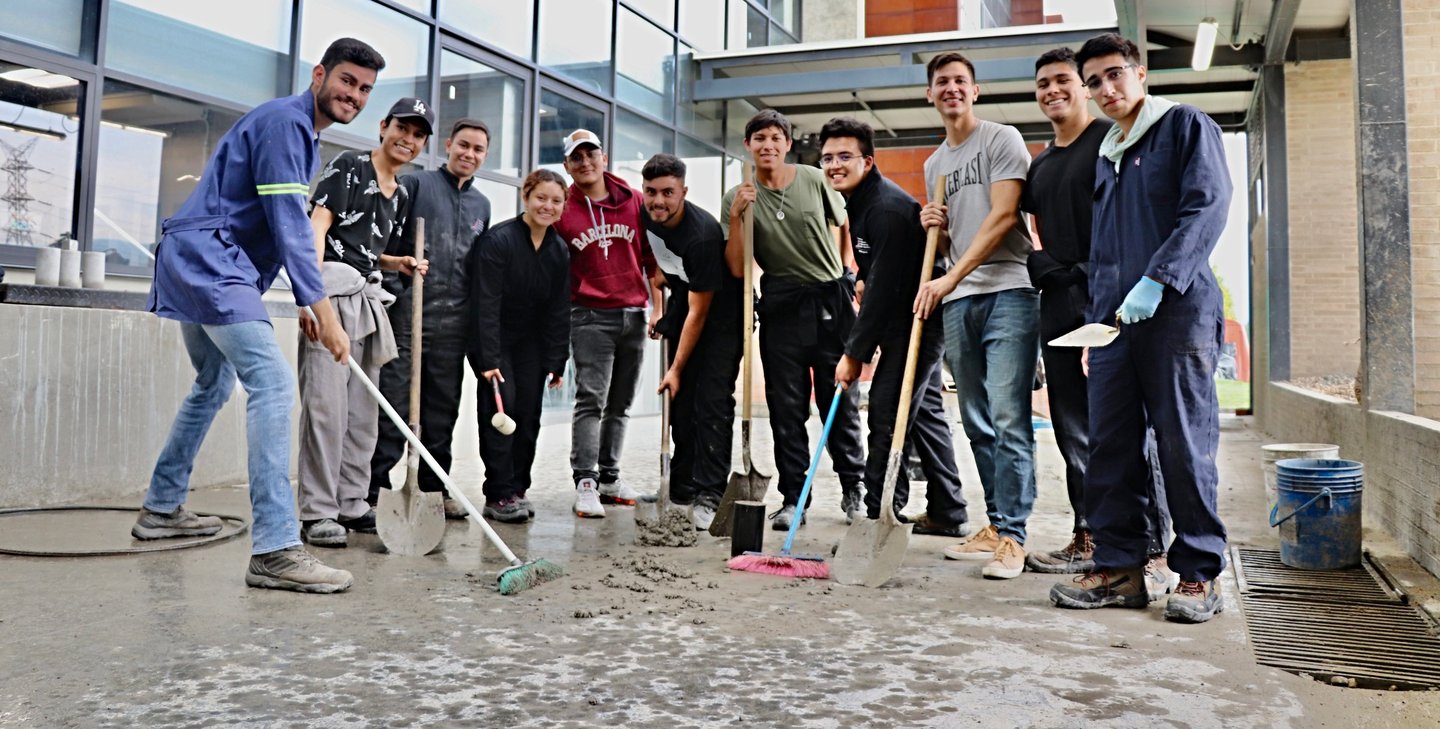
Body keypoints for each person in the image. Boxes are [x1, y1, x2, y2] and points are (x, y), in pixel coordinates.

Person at [132, 38, 385, 593]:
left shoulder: (302, 134)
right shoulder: (286, 123)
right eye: (347, 81)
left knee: (211, 382)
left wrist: (304, 301)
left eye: (365, 89)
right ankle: (275, 547)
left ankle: (162, 507)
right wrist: (324, 309)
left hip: (205, 260)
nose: (355, 95)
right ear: (319, 74)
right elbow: (292, 226)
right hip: (211, 262)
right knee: (271, 384)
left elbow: (277, 227)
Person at [1048, 33, 1231, 624]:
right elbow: (1104, 250)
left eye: (1113, 74)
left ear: (1140, 72)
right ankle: (1123, 566)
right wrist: (1096, 327)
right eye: (1094, 81)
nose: (1105, 89)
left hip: (1177, 313)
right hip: (1116, 326)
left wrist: (1160, 279)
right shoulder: (1108, 151)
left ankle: (1199, 573)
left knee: (1181, 441)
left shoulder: (1184, 127)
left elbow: (1206, 207)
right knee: (1111, 445)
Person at [911, 52, 1040, 580]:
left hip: (1009, 290)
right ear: (930, 95)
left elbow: (1005, 216)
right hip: (960, 299)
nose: (951, 89)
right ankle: (995, 522)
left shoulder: (1001, 139)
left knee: (1009, 418)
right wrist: (933, 226)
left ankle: (1015, 536)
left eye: (960, 81)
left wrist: (948, 277)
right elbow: (951, 238)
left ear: (976, 90)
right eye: (942, 82)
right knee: (977, 421)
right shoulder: (933, 165)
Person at [295, 97, 433, 547]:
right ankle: (317, 512)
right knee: (326, 409)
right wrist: (309, 297)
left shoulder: (404, 191)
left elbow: (371, 251)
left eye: (417, 135)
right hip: (331, 294)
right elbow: (318, 227)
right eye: (402, 129)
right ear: (383, 127)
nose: (408, 140)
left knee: (363, 413)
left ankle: (353, 502)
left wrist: (401, 263)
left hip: (371, 300)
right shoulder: (348, 165)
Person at [822, 117, 970, 536]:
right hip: (900, 318)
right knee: (923, 414)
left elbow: (884, 294)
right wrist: (862, 275)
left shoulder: (884, 208)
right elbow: (878, 271)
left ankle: (879, 514)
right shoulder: (861, 201)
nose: (835, 164)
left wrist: (853, 355)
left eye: (845, 156)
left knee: (887, 411)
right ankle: (950, 511)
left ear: (867, 162)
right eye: (828, 157)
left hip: (919, 322)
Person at [723, 109, 866, 531]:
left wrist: (845, 272)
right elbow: (736, 266)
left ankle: (852, 488)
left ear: (787, 143)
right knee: (786, 409)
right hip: (782, 303)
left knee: (837, 401)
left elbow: (842, 224)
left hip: (830, 300)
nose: (767, 145)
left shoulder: (814, 178)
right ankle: (794, 498)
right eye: (758, 138)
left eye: (775, 137)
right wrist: (735, 216)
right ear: (747, 146)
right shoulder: (740, 195)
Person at [368, 118, 493, 519]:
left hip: (453, 321)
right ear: (449, 146)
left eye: (478, 149)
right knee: (395, 402)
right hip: (409, 313)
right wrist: (395, 292)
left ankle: (433, 488)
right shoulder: (417, 185)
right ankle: (373, 490)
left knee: (441, 410)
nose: (469, 154)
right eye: (463, 145)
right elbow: (387, 240)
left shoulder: (481, 205)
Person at [554, 129, 655, 518]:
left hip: (634, 312)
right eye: (575, 157)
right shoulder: (564, 207)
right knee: (591, 400)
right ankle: (586, 482)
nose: (584, 162)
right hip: (590, 316)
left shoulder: (633, 201)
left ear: (604, 157)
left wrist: (657, 308)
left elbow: (649, 257)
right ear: (567, 166)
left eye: (590, 154)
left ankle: (611, 476)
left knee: (621, 402)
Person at [640, 154, 743, 531]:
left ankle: (710, 493)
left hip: (721, 316)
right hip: (685, 299)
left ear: (683, 191)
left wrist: (676, 368)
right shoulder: (647, 213)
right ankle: (680, 487)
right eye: (651, 192)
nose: (659, 201)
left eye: (668, 192)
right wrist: (656, 307)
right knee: (680, 407)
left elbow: (700, 315)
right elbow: (656, 260)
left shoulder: (701, 236)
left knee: (710, 402)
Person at [467, 170, 571, 523]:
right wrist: (488, 356)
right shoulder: (500, 240)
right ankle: (497, 493)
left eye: (556, 200)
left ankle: (517, 488)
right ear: (526, 196)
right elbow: (485, 302)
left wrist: (558, 358)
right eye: (541, 197)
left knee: (528, 415)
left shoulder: (558, 249)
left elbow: (558, 309)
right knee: (502, 411)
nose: (548, 206)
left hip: (531, 345)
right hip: (495, 340)